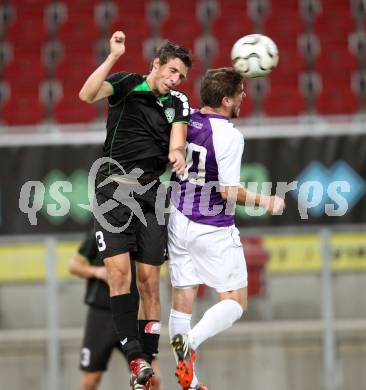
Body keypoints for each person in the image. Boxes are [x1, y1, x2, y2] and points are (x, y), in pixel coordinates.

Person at [79, 31, 192, 389]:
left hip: (152, 197)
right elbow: (86, 94)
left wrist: (177, 153)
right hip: (112, 191)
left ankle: (148, 357)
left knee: (149, 282)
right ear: (156, 64)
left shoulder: (178, 102)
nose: (175, 80)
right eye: (172, 71)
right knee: (119, 275)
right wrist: (112, 57)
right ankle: (134, 356)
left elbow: (178, 138)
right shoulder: (126, 84)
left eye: (181, 76)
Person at [167, 68, 286, 390]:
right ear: (225, 99)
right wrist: (266, 201)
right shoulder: (229, 135)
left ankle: (189, 384)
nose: (243, 98)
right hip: (212, 226)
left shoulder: (186, 119)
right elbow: (227, 191)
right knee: (235, 301)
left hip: (178, 219)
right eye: (240, 94)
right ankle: (190, 341)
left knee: (183, 297)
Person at [68, 232, 161, 390]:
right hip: (101, 315)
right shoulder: (101, 231)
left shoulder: (141, 232)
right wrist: (97, 272)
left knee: (152, 378)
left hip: (133, 313)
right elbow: (74, 265)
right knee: (90, 380)